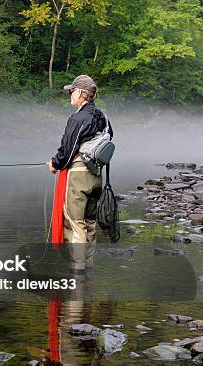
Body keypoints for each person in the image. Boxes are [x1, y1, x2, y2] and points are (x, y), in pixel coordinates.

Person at [46, 75, 113, 251]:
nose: (70, 94)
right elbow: (108, 140)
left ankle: (77, 271)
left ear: (82, 93)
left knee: (74, 223)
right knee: (90, 223)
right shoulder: (103, 117)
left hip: (78, 177)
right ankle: (86, 270)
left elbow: (67, 151)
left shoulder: (78, 118)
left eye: (72, 91)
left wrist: (54, 163)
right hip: (96, 176)